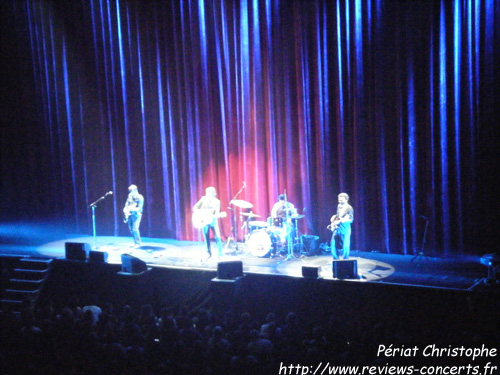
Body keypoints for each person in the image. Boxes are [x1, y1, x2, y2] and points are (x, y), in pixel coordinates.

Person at [193, 186, 224, 258]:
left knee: (218, 237)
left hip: (213, 220)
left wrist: (219, 215)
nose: (208, 195)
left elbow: (216, 213)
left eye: (210, 193)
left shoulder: (217, 201)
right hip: (203, 220)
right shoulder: (203, 199)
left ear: (214, 194)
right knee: (206, 237)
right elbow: (195, 207)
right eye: (207, 193)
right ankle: (208, 253)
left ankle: (220, 254)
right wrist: (200, 213)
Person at [329, 192, 354, 259]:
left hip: (345, 228)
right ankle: (335, 259)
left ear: (346, 200)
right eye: (339, 200)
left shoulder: (349, 208)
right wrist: (334, 217)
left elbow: (351, 220)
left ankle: (345, 259)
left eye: (341, 200)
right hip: (337, 227)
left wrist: (344, 220)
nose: (339, 202)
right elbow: (338, 215)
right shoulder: (339, 206)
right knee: (333, 244)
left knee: (345, 245)